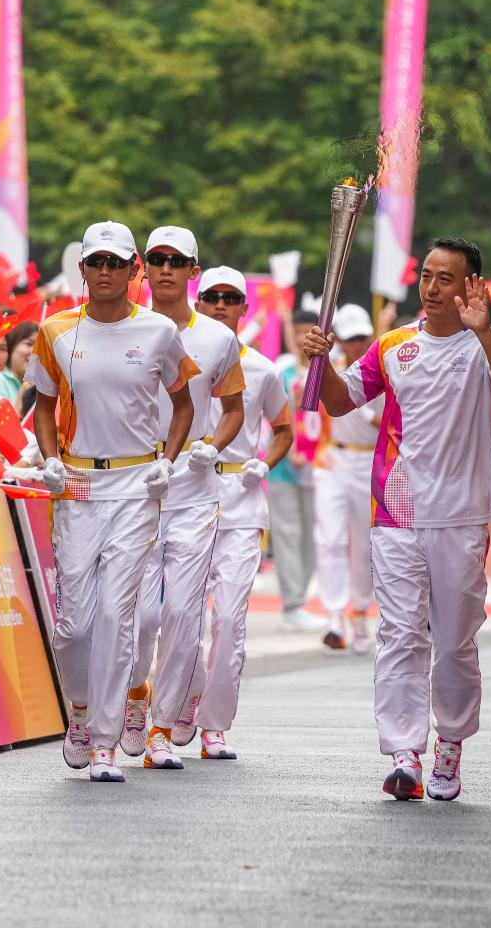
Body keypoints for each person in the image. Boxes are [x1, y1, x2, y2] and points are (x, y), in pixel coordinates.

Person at [303, 236, 491, 802]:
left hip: (462, 513)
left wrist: (482, 329)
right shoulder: (393, 345)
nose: (431, 288)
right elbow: (337, 402)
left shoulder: (488, 345)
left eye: (446, 279)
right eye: (427, 276)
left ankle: (449, 742)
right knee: (400, 633)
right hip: (397, 510)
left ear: (471, 286)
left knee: (454, 640)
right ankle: (405, 751)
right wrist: (322, 358)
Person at [27, 220, 197, 782]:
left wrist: (166, 462)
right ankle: (79, 707)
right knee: (73, 625)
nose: (105, 272)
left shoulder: (157, 332)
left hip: (134, 486)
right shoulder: (55, 332)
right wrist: (50, 458)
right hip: (77, 484)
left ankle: (102, 739)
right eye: (96, 262)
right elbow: (45, 405)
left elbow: (183, 404)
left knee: (114, 613)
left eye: (116, 263)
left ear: (134, 271)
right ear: (83, 270)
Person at [123, 226, 245, 773]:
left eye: (178, 261)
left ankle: (163, 728)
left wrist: (210, 447)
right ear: (142, 268)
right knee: (140, 615)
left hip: (194, 494)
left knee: (180, 614)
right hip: (131, 491)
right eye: (157, 259)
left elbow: (234, 409)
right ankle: (133, 694)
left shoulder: (218, 340)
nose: (167, 268)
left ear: (193, 272)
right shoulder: (118, 328)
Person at [175, 264, 293, 758]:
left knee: (229, 617)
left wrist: (262, 464)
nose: (220, 304)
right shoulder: (177, 355)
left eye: (230, 297)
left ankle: (215, 724)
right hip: (188, 489)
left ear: (246, 307)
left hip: (242, 497)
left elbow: (283, 427)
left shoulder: (263, 369)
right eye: (211, 296)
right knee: (178, 612)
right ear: (198, 301)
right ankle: (186, 695)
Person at [313, 303, 382, 651]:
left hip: (370, 462)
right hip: (333, 460)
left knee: (364, 544)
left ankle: (359, 610)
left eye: (361, 337)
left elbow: (391, 424)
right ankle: (334, 614)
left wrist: (371, 418)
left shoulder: (383, 371)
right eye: (349, 338)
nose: (356, 344)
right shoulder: (328, 370)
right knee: (330, 537)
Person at [266, 309, 327, 631]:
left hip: (319, 469)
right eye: (299, 331)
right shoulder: (282, 370)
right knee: (288, 535)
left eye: (310, 331)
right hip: (284, 468)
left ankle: (300, 597)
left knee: (312, 538)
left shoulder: (328, 369)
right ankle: (293, 604)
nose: (304, 338)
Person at [0, 322, 39, 406]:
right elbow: (2, 418)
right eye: (29, 344)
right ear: (11, 346)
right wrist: (21, 398)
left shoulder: (40, 386)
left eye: (40, 346)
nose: (36, 352)